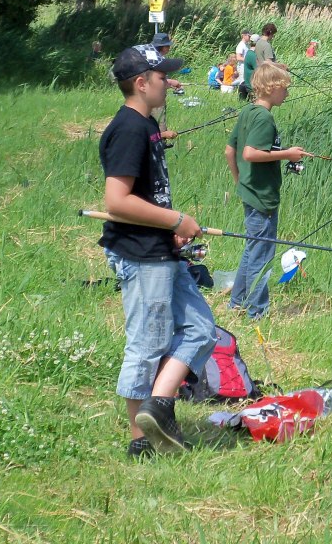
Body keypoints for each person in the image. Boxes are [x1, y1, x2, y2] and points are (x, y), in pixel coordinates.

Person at [98, 44, 215, 457]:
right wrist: (175, 220)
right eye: (162, 76)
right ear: (141, 83)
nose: (169, 81)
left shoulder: (145, 125)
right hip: (140, 254)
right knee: (146, 345)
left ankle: (159, 406)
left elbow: (148, 196)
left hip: (160, 247)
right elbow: (116, 201)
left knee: (201, 329)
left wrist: (173, 230)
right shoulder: (129, 128)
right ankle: (140, 441)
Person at [224, 62, 309, 319]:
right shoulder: (264, 117)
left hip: (250, 191)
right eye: (285, 89)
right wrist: (288, 154)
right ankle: (257, 312)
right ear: (272, 88)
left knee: (253, 249)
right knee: (262, 256)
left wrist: (239, 181)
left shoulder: (248, 111)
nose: (288, 94)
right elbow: (249, 153)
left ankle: (237, 302)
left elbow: (231, 150)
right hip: (262, 196)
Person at [238, 34, 259, 101]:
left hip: (248, 83)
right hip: (252, 86)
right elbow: (259, 70)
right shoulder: (252, 55)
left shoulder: (248, 53)